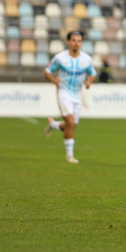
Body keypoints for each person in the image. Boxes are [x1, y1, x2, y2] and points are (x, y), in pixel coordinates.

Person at [43, 31, 96, 164]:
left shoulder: (86, 59)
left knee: (71, 126)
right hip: (64, 93)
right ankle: (69, 156)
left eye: (79, 40)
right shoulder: (60, 58)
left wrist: (89, 82)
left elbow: (92, 73)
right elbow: (47, 71)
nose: (76, 43)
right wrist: (54, 80)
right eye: (73, 40)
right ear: (68, 42)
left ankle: (53, 124)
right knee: (70, 123)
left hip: (77, 94)